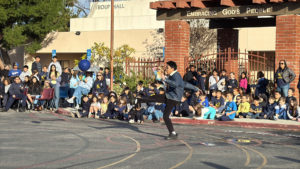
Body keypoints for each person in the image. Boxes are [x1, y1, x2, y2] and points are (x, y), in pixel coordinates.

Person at [138, 61, 184, 140]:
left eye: (167, 67)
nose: (166, 68)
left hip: (172, 98)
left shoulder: (176, 75)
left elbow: (176, 84)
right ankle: (139, 100)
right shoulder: (172, 75)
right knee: (156, 97)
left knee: (165, 116)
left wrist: (165, 79)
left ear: (172, 68)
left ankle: (173, 133)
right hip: (169, 96)